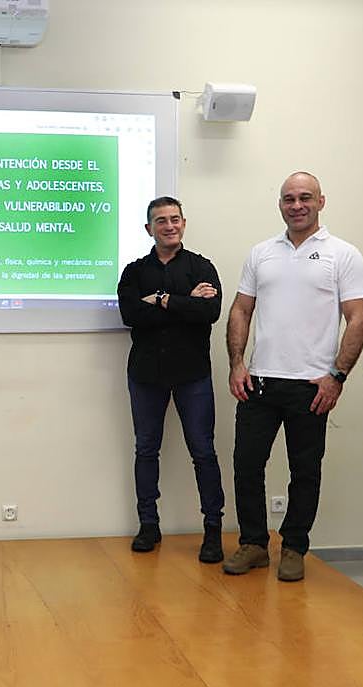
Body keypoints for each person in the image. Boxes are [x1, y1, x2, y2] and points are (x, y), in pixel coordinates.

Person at [225, 172, 363, 581]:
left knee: (305, 471)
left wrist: (336, 375)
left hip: (311, 385)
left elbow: (357, 317)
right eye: (289, 198)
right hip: (260, 381)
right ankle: (254, 543)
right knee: (246, 465)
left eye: (305, 197)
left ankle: (293, 547)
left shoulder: (343, 254)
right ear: (280, 204)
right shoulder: (261, 253)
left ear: (321, 201)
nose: (297, 205)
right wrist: (238, 362)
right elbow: (240, 309)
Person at [116, 197, 225, 562]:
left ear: (183, 223)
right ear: (149, 228)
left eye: (174, 219)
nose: (168, 225)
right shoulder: (133, 271)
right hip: (146, 375)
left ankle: (213, 530)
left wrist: (161, 300)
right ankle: (149, 525)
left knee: (203, 451)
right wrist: (183, 304)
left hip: (193, 375)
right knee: (146, 450)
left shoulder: (201, 267)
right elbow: (131, 315)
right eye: (160, 221)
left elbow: (209, 311)